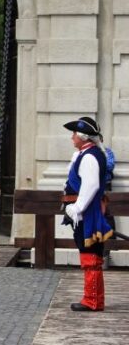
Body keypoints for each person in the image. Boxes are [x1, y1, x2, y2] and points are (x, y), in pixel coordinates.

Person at [62, 117, 113, 311]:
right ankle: (95, 299)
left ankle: (91, 300)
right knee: (93, 256)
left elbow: (91, 186)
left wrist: (77, 208)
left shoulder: (90, 157)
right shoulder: (87, 154)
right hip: (86, 212)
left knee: (90, 256)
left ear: (83, 137)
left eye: (74, 133)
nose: (72, 137)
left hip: (87, 213)